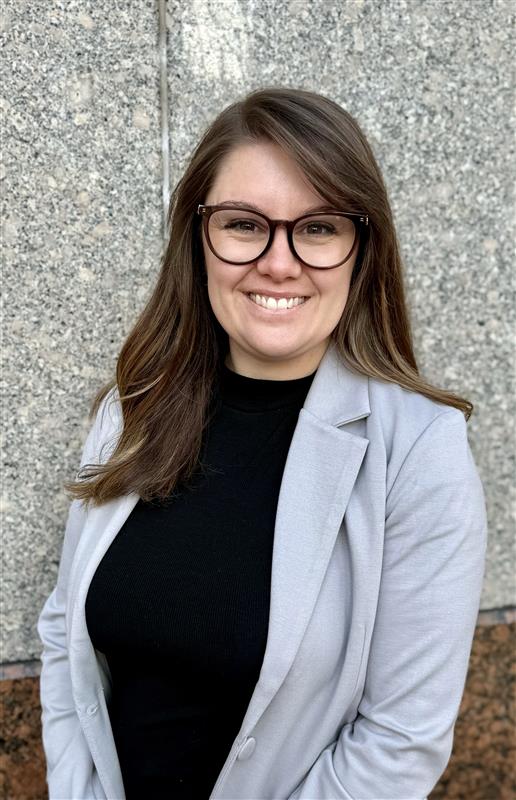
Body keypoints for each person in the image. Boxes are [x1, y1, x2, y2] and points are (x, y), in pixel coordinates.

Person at [37, 86, 487, 800]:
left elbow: (400, 742)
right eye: (245, 225)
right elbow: (65, 632)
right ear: (198, 235)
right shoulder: (134, 407)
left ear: (361, 248)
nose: (279, 263)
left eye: (317, 228)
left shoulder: (418, 450)